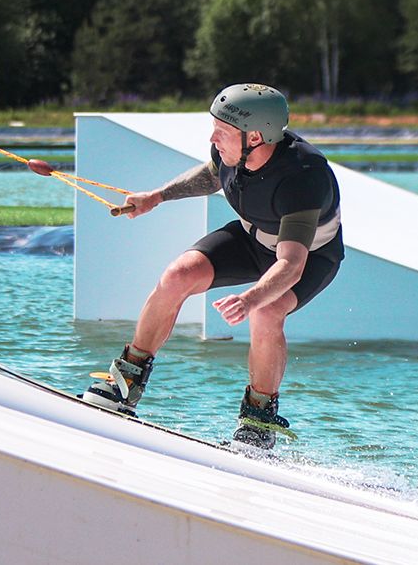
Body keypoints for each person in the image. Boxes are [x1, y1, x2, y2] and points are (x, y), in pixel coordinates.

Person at [82, 84, 344, 449]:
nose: (212, 138)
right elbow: (211, 174)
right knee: (178, 275)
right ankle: (125, 381)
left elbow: (291, 264)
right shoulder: (233, 152)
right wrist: (156, 197)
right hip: (253, 240)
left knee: (267, 312)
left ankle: (259, 422)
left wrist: (249, 299)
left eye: (221, 132)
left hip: (309, 256)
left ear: (254, 136)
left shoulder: (303, 176)